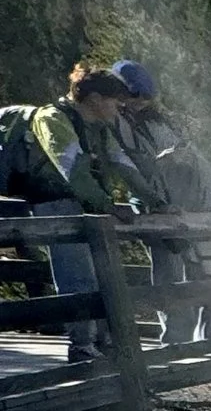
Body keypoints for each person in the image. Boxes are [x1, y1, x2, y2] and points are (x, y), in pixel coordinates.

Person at [0, 64, 141, 376]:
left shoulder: (98, 127)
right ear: (92, 98)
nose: (119, 107)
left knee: (101, 273)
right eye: (113, 100)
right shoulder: (52, 120)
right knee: (76, 275)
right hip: (53, 203)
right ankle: (81, 348)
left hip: (83, 203)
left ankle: (104, 343)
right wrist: (109, 204)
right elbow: (72, 169)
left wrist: (154, 201)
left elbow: (123, 163)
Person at [108, 58, 211, 343]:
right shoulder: (116, 123)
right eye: (135, 95)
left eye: (145, 96)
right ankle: (175, 336)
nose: (140, 102)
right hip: (155, 206)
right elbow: (130, 165)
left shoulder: (160, 120)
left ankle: (210, 334)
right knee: (168, 272)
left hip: (189, 202)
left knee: (205, 268)